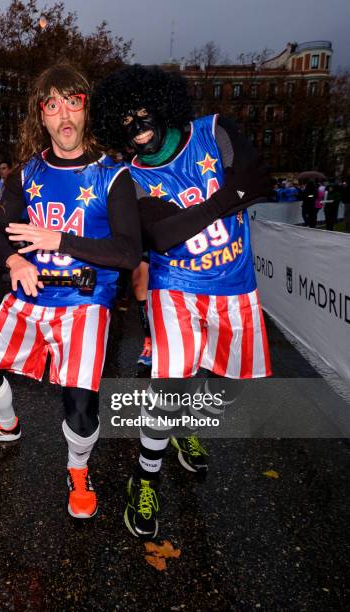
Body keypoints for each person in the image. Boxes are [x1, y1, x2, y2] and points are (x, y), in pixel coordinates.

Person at [92, 65, 271, 539]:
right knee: (169, 386)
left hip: (235, 282)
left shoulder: (215, 130)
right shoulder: (129, 177)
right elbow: (162, 237)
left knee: (215, 382)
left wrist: (200, 210)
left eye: (143, 112)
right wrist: (225, 198)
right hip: (177, 288)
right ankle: (143, 479)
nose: (136, 124)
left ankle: (182, 424)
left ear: (164, 104)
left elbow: (258, 179)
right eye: (124, 119)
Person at [0, 63, 142, 519]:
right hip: (29, 295)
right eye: (53, 105)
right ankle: (7, 424)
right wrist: (14, 259)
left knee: (79, 406)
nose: (64, 116)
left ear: (87, 111)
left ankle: (78, 468)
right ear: (40, 116)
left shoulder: (113, 176)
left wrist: (58, 240)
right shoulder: (25, 174)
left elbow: (127, 253)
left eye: (73, 103)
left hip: (85, 303)